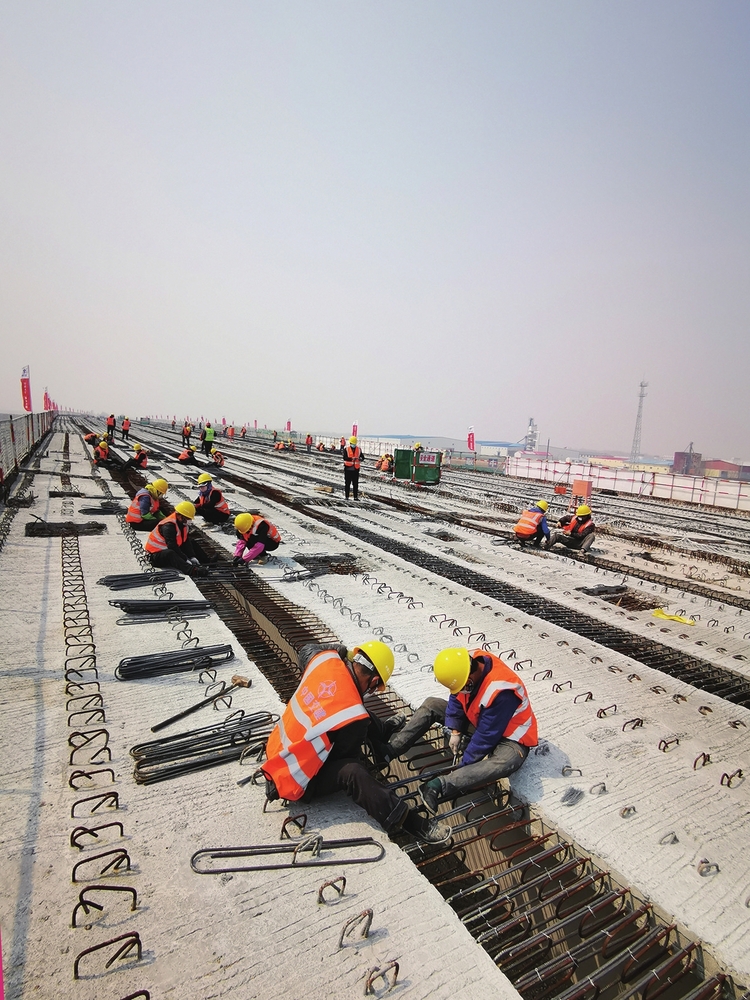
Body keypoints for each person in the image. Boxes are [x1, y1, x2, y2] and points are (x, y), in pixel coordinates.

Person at [261, 641, 451, 845]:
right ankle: (411, 823)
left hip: (276, 752)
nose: (374, 691)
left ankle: (383, 731)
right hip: (297, 780)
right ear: (374, 679)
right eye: (376, 687)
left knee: (357, 711)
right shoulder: (353, 717)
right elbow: (345, 756)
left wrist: (335, 647)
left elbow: (306, 649)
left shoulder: (325, 661)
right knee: (354, 771)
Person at [382, 648, 538, 815]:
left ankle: (438, 785)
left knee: (507, 762)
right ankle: (390, 751)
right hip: (479, 721)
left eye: (463, 686)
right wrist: (455, 731)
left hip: (510, 737)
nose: (460, 691)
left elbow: (486, 736)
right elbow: (457, 697)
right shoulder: (465, 666)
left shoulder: (501, 690)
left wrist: (463, 766)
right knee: (432, 704)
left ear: (470, 679)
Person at [144, 501, 213, 576]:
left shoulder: (183, 524)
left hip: (166, 549)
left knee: (191, 541)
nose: (190, 520)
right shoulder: (168, 526)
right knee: (170, 553)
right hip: (155, 556)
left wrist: (191, 556)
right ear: (180, 516)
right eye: (188, 518)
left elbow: (185, 541)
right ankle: (192, 571)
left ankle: (207, 560)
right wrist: (185, 559)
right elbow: (172, 546)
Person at [343, 435, 362, 500]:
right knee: (347, 483)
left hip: (355, 469)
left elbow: (362, 457)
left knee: (355, 484)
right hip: (348, 469)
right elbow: (344, 458)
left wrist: (360, 459)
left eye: (354, 444)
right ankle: (347, 496)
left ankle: (355, 497)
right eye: (352, 443)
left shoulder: (359, 449)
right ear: (350, 443)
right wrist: (351, 459)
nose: (353, 445)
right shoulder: (346, 449)